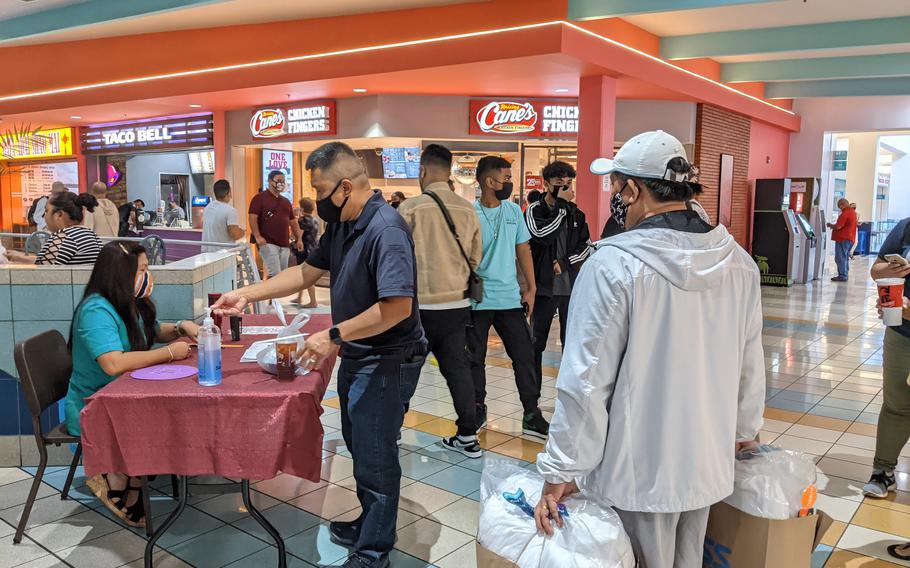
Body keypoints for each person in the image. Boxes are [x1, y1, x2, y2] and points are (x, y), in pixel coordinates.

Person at [534, 131, 765, 568]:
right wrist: (745, 430)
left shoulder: (614, 265)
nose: (614, 199)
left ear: (633, 190)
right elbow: (749, 362)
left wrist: (561, 468)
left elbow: (585, 381)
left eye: (616, 187)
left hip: (635, 468)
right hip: (708, 462)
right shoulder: (738, 262)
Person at [213, 142, 426, 568]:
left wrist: (333, 334)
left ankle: (374, 551)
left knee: (377, 454)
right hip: (361, 352)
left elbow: (397, 306)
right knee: (359, 443)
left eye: (319, 188)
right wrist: (243, 293)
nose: (315, 196)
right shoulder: (346, 223)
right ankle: (371, 523)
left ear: (345, 187)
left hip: (387, 356)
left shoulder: (385, 230)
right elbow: (305, 272)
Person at [69, 241, 199, 527]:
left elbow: (153, 330)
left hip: (127, 394)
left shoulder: (128, 302)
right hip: (98, 404)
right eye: (142, 270)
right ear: (120, 273)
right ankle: (115, 474)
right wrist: (168, 353)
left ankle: (136, 474)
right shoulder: (96, 311)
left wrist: (181, 327)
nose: (147, 276)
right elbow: (113, 363)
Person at [398, 144, 483, 457]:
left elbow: (395, 256)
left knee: (406, 369)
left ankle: (392, 430)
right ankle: (468, 436)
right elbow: (476, 257)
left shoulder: (410, 208)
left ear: (422, 171)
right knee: (457, 370)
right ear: (450, 172)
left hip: (416, 308)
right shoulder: (467, 209)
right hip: (456, 306)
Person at [469, 156, 548, 439]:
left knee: (524, 356)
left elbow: (523, 249)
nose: (509, 183)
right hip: (476, 302)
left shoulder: (514, 211)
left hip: (509, 300)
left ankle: (531, 413)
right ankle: (477, 408)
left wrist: (531, 287)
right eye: (505, 178)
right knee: (474, 359)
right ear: (489, 182)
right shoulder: (469, 214)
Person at [524, 161, 591, 380]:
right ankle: (532, 399)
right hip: (544, 288)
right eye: (559, 183)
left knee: (571, 343)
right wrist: (561, 208)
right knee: (536, 344)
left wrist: (564, 263)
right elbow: (541, 236)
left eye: (568, 183)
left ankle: (568, 393)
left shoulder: (577, 214)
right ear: (546, 184)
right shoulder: (535, 210)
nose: (565, 187)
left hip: (570, 288)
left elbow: (586, 246)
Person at [863, 219, 910, 513]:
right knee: (896, 405)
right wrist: (895, 271)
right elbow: (876, 269)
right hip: (901, 333)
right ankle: (883, 472)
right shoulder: (906, 227)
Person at [8, 193, 102, 265]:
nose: (44, 216)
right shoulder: (92, 236)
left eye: (46, 211)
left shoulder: (62, 238)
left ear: (60, 215)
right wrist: (19, 257)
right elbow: (50, 260)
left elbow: (45, 270)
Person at [249, 170, 303, 278]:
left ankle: (271, 295)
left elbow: (293, 222)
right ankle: (270, 294)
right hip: (267, 242)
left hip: (284, 244)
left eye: (283, 181)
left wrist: (299, 239)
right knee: (275, 274)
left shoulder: (286, 202)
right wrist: (258, 236)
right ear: (270, 181)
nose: (281, 183)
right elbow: (252, 217)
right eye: (278, 181)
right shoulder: (259, 198)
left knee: (281, 276)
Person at [202, 179, 244, 252]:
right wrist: (243, 232)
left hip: (207, 253)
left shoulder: (207, 208)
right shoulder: (230, 211)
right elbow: (235, 234)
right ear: (228, 193)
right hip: (224, 255)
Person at [294, 197, 320, 307]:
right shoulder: (315, 220)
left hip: (304, 250)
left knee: (306, 276)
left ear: (302, 209)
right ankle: (299, 297)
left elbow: (299, 234)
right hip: (313, 249)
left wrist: (298, 240)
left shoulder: (302, 220)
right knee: (304, 275)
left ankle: (313, 301)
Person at [827, 198, 857, 282]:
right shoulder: (852, 212)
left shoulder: (846, 213)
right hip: (850, 238)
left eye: (840, 206)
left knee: (840, 257)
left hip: (843, 238)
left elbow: (838, 226)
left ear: (842, 205)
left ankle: (843, 275)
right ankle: (845, 273)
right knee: (845, 257)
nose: (840, 208)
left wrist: (830, 225)